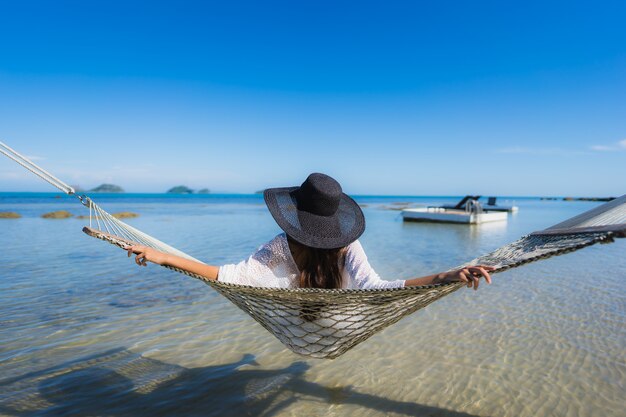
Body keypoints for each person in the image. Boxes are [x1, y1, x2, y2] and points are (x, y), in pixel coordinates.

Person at [127, 173, 494, 290]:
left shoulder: (283, 245)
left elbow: (229, 275)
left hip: (319, 324)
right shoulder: (345, 246)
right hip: (331, 324)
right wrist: (444, 275)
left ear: (296, 214)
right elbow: (376, 287)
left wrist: (163, 257)